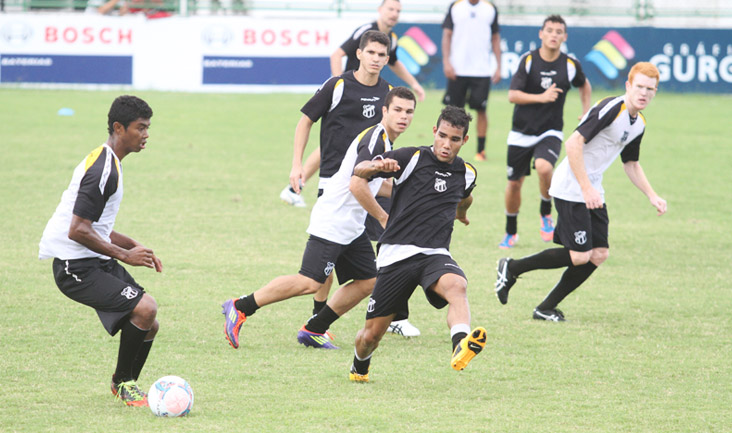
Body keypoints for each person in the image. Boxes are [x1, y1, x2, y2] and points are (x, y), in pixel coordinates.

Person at [221, 87, 417, 351]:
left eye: (409, 112)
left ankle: (314, 329)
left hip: (351, 225)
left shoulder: (386, 141)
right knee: (309, 281)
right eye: (397, 110)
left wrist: (409, 195)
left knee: (369, 280)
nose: (403, 116)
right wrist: (383, 217)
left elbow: (374, 184)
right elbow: (356, 186)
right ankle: (240, 306)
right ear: (384, 111)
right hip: (334, 220)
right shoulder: (375, 140)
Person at [494, 62, 667, 322]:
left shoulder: (638, 124)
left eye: (650, 89)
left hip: (592, 188)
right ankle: (513, 267)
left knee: (598, 254)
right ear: (628, 86)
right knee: (579, 255)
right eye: (639, 87)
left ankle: (545, 307)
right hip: (571, 186)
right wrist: (586, 188)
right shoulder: (611, 108)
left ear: (655, 92)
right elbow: (573, 142)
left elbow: (630, 163)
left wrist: (652, 195)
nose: (644, 93)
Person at [349, 106, 487, 383]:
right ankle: (359, 367)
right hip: (396, 255)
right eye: (443, 136)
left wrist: (461, 214)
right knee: (371, 336)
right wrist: (377, 166)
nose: (447, 145)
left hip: (434, 254)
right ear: (435, 132)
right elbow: (358, 172)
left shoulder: (467, 173)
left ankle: (460, 343)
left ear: (465, 140)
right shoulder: (410, 157)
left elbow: (464, 197)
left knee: (457, 286)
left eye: (455, 139)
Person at [38, 95, 161, 407]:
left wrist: (131, 244)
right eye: (140, 128)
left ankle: (127, 385)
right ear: (119, 128)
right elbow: (77, 229)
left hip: (95, 259)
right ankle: (123, 383)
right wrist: (125, 255)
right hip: (73, 266)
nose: (146, 134)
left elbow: (96, 225)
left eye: (148, 128)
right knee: (145, 308)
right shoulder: (103, 170)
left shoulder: (109, 162)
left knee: (149, 321)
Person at [280, 0, 426, 209]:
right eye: (390, 9)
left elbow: (394, 62)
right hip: (347, 99)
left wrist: (414, 84)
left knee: (356, 144)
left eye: (398, 11)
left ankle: (295, 187)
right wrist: (340, 85)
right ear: (380, 10)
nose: (394, 14)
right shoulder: (365, 32)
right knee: (331, 145)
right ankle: (294, 186)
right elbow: (337, 54)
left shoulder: (390, 41)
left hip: (366, 160)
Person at [499, 15, 592, 249]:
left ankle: (545, 214)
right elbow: (512, 95)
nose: (554, 35)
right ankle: (511, 232)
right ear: (541, 34)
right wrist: (541, 97)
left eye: (558, 31)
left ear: (564, 37)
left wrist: (586, 111)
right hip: (521, 132)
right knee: (514, 184)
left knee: (544, 167)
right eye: (549, 30)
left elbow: (585, 85)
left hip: (550, 131)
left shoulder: (570, 64)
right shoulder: (528, 60)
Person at [441, 0, 501, 161]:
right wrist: (447, 62)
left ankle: (481, 151)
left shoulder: (490, 8)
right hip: (457, 69)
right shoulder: (455, 6)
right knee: (451, 113)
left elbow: (495, 38)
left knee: (481, 110)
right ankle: (444, 150)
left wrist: (498, 66)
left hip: (481, 70)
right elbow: (447, 35)